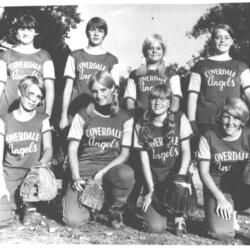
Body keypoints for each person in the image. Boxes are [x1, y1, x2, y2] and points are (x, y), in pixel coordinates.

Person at [62, 71, 135, 229]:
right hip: (84, 172)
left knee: (126, 174)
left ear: (113, 89)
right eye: (94, 91)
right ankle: (91, 207)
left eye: (103, 90)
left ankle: (114, 208)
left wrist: (101, 174)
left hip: (110, 172)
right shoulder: (82, 114)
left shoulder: (125, 117)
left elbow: (125, 154)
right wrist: (75, 177)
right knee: (73, 221)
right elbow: (72, 148)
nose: (99, 95)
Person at [123, 33, 183, 223]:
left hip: (163, 124)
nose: (155, 51)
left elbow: (176, 98)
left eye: (158, 48)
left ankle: (169, 206)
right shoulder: (136, 74)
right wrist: (135, 118)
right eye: (151, 48)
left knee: (161, 160)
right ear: (145, 51)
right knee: (138, 164)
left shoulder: (170, 74)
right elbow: (130, 99)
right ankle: (130, 206)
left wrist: (168, 118)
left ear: (163, 51)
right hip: (143, 123)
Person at [133, 84, 192, 235]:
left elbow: (186, 151)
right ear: (149, 100)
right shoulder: (141, 124)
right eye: (153, 98)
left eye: (163, 99)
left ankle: (179, 216)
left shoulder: (180, 118)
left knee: (179, 188)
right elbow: (144, 160)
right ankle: (167, 214)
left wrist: (180, 178)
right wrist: (151, 189)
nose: (158, 102)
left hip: (175, 180)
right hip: (155, 182)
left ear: (169, 102)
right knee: (155, 228)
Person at [0, 76, 53, 228]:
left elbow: (49, 149)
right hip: (10, 177)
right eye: (30, 94)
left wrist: (40, 166)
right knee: (1, 220)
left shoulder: (42, 119)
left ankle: (28, 205)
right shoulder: (4, 120)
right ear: (20, 92)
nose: (33, 99)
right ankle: (15, 204)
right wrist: (1, 185)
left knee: (30, 221)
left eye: (38, 96)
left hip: (32, 176)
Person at [197, 97, 250, 240]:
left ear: (242, 120)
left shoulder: (247, 135)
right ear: (219, 117)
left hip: (240, 187)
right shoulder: (208, 137)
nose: (231, 122)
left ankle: (235, 209)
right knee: (222, 233)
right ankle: (216, 214)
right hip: (217, 188)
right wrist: (220, 198)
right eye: (226, 117)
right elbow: (203, 172)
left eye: (236, 118)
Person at [187, 23, 250, 136]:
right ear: (212, 40)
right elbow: (193, 95)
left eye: (227, 37)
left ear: (232, 41)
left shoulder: (241, 67)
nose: (222, 41)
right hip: (205, 122)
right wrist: (191, 121)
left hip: (232, 123)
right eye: (218, 37)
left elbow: (249, 93)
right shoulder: (200, 65)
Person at [59, 16, 119, 131]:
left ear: (105, 34)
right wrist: (63, 115)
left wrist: (113, 113)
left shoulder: (112, 60)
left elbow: (114, 92)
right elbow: (68, 88)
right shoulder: (75, 56)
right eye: (93, 30)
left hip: (100, 110)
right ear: (87, 32)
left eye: (100, 31)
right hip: (76, 109)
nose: (96, 34)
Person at [0, 14, 55, 117]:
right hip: (7, 113)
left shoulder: (44, 56)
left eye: (30, 29)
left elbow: (49, 88)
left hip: (35, 113)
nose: (25, 33)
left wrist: (47, 115)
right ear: (16, 31)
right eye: (22, 29)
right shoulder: (5, 56)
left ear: (36, 32)